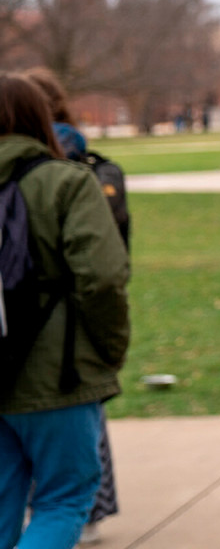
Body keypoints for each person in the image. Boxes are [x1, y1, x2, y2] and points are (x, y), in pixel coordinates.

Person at [0, 74, 131, 549]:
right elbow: (102, 278)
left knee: (3, 502)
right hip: (58, 374)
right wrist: (109, 349)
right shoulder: (67, 183)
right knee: (64, 499)